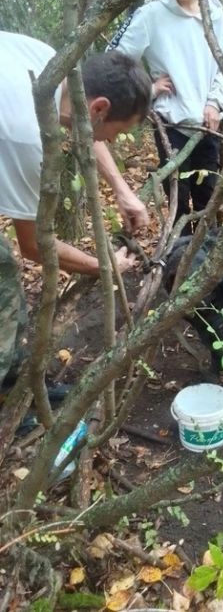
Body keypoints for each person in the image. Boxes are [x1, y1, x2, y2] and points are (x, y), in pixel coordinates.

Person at [0, 30, 152, 403]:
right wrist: (104, 265)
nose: (114, 142)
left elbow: (87, 127)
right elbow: (36, 246)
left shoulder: (56, 62)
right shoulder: (28, 136)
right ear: (100, 108)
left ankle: (12, 389)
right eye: (119, 133)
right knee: (3, 291)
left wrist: (121, 188)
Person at [108, 0, 223, 235]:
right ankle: (179, 262)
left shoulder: (215, 12)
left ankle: (210, 263)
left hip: (207, 125)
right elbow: (115, 62)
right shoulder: (150, 15)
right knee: (178, 200)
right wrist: (148, 91)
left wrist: (214, 102)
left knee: (208, 198)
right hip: (171, 125)